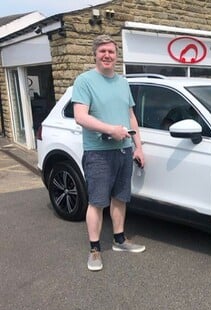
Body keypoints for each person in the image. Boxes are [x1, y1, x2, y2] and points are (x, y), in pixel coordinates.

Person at [72, 34, 145, 271]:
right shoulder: (84, 81)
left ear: (116, 55)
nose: (107, 55)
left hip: (124, 151)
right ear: (95, 54)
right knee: (97, 202)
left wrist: (139, 147)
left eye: (111, 52)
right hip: (98, 152)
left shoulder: (123, 82)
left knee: (120, 197)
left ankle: (119, 240)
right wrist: (110, 130)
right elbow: (80, 116)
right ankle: (94, 250)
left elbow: (131, 116)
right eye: (102, 51)